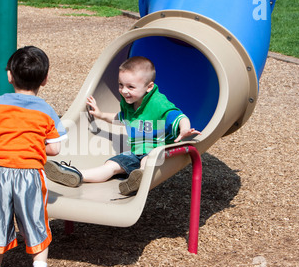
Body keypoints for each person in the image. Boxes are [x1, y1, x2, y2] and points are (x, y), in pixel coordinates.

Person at [0, 46, 67, 267]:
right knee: (35, 221)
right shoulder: (45, 110)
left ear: (10, 76)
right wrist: (31, 145)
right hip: (30, 174)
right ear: (44, 80)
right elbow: (54, 149)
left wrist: (4, 139)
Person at [45, 56, 200, 195]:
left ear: (149, 87)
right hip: (135, 152)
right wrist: (100, 115)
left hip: (158, 153)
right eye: (121, 85)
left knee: (147, 161)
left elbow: (179, 116)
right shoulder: (129, 102)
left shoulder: (158, 104)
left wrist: (185, 129)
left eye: (130, 87)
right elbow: (121, 118)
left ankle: (138, 179)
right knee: (111, 165)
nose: (124, 91)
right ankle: (76, 174)